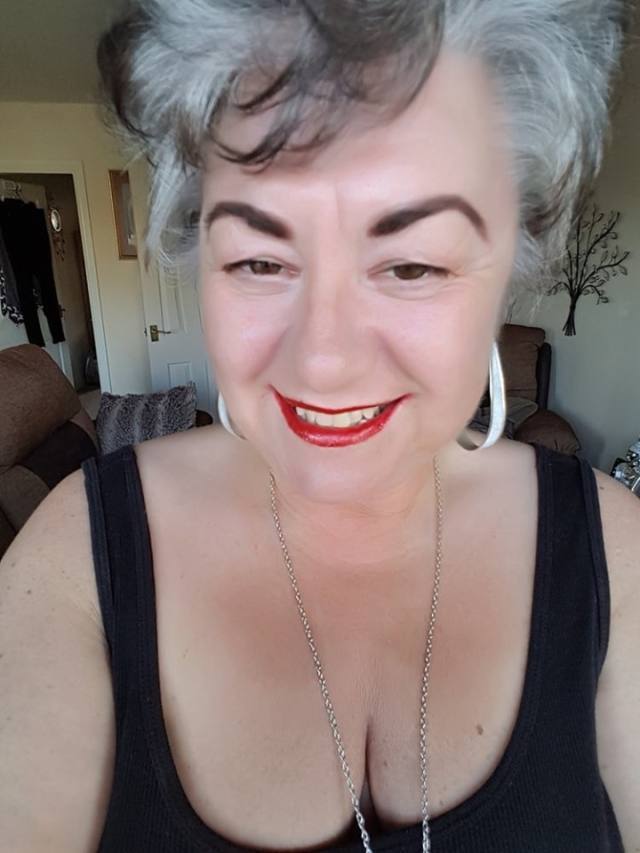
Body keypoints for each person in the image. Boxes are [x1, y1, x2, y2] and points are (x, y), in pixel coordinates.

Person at [1, 1, 638, 851]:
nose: (324, 360)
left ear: (511, 266)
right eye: (260, 260)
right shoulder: (74, 562)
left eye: (411, 264)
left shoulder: (618, 558)